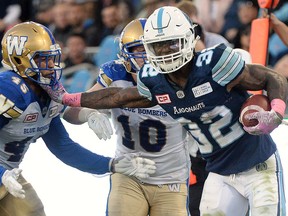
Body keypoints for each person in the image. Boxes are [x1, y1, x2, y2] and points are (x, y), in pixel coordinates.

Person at [42, 6, 288, 216]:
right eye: (157, 46)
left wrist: (276, 111)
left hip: (256, 164)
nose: (165, 51)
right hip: (218, 170)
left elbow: (272, 77)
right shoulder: (153, 80)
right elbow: (117, 96)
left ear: (189, 39)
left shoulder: (214, 63)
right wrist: (69, 98)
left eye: (171, 43)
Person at [0, 21, 157, 216]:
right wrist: (1, 175)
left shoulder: (47, 92)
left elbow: (63, 147)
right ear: (18, 60)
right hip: (4, 174)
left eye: (52, 58)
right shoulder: (9, 91)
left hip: (8, 174)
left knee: (32, 211)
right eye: (42, 59)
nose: (51, 65)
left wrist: (111, 165)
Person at [63, 18, 192, 216]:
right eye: (138, 49)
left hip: (171, 178)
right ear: (125, 53)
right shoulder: (115, 75)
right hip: (128, 173)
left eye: (150, 48)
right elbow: (71, 112)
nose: (145, 56)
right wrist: (90, 114)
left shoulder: (177, 76)